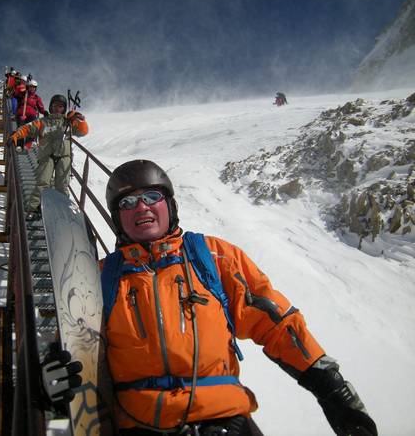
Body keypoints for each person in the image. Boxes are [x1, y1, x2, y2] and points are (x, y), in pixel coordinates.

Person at [43, 159, 378, 436]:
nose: (140, 206)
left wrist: (333, 390)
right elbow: (75, 341)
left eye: (151, 196)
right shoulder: (100, 276)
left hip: (227, 422)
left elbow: (277, 324)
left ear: (169, 205)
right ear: (118, 218)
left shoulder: (213, 257)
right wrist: (52, 375)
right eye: (127, 202)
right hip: (143, 426)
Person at [10, 94, 88, 219]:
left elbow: (83, 132)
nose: (58, 108)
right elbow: (27, 128)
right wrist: (15, 135)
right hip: (47, 155)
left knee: (62, 185)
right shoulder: (42, 122)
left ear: (64, 108)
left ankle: (62, 209)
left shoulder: (68, 122)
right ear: (51, 107)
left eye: (61, 106)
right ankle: (34, 208)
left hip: (64, 156)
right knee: (43, 182)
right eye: (55, 105)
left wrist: (80, 120)